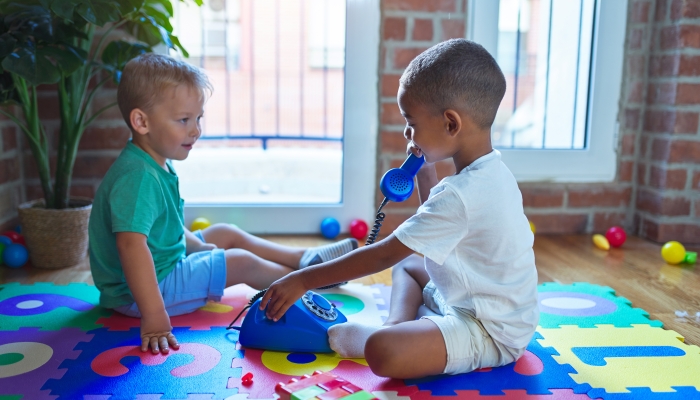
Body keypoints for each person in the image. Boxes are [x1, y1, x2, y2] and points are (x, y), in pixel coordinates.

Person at [260, 39, 538, 379]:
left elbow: (381, 255)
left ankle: (391, 335)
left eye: (412, 121)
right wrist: (424, 172)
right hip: (472, 296)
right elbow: (441, 227)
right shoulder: (491, 171)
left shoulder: (462, 194)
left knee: (383, 351)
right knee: (410, 265)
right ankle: (398, 324)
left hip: (490, 330)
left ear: (451, 124)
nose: (408, 131)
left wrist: (303, 280)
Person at [88, 53, 357, 355]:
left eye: (198, 118)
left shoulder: (153, 162)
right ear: (141, 121)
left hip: (162, 262)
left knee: (224, 233)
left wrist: (201, 250)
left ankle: (303, 259)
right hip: (141, 292)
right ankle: (303, 284)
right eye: (183, 120)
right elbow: (131, 246)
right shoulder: (137, 178)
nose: (196, 130)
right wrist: (153, 316)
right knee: (240, 261)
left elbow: (170, 227)